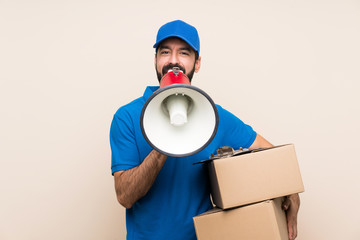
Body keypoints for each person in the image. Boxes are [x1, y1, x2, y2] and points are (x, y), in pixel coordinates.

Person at [110, 20, 300, 240]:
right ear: (155, 60)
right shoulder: (126, 117)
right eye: (165, 52)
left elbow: (273, 157)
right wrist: (164, 141)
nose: (173, 60)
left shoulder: (212, 116)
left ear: (197, 63)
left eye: (184, 53)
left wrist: (292, 192)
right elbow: (125, 196)